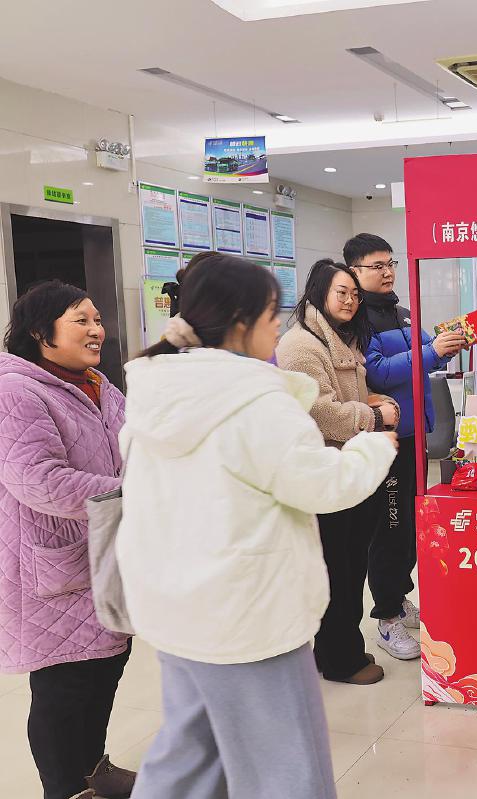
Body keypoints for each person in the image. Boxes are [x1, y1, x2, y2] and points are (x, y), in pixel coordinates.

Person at [117, 254, 397, 798]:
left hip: (172, 608)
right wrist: (372, 448)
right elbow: (323, 485)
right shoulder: (254, 401)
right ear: (241, 321)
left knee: (188, 754)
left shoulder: (157, 389)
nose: (278, 329)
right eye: (272, 315)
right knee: (285, 768)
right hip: (248, 615)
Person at [0, 281, 137, 799]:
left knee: (105, 666)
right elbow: (38, 479)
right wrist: (133, 494)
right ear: (41, 332)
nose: (97, 329)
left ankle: (93, 772)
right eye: (81, 320)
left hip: (105, 552)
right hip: (52, 566)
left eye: (97, 319)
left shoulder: (99, 384)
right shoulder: (17, 391)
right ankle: (65, 788)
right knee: (64, 687)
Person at [276, 258, 402, 683]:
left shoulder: (339, 338)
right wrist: (376, 417)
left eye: (353, 294)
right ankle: (340, 660)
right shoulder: (302, 345)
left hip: (346, 471)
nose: (349, 301)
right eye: (340, 292)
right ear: (318, 294)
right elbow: (321, 412)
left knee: (349, 566)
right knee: (337, 570)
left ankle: (335, 651)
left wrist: (375, 400)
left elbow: (351, 394)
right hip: (324, 474)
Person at [344, 233, 467, 660]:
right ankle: (386, 618)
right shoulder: (357, 321)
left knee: (411, 527)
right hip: (386, 439)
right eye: (376, 266)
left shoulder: (401, 312)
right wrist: (431, 351)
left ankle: (398, 598)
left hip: (414, 435)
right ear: (354, 272)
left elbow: (423, 355)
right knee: (390, 529)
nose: (387, 272)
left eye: (390, 263)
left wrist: (445, 348)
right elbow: (377, 374)